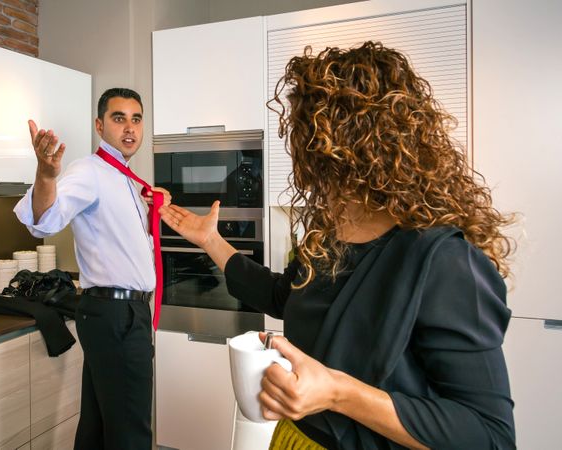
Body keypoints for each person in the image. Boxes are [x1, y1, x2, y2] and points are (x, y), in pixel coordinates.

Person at [160, 42, 516, 449]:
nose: (298, 151)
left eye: (302, 132)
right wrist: (211, 241)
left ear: (342, 145)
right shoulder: (326, 234)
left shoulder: (444, 260)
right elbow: (282, 295)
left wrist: (338, 392)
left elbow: (490, 435)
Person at [14, 87, 170, 450]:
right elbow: (44, 221)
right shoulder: (88, 171)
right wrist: (47, 175)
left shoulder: (130, 180)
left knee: (99, 428)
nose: (129, 127)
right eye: (119, 118)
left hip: (122, 314)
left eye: (136, 118)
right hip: (116, 314)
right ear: (100, 125)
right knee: (131, 431)